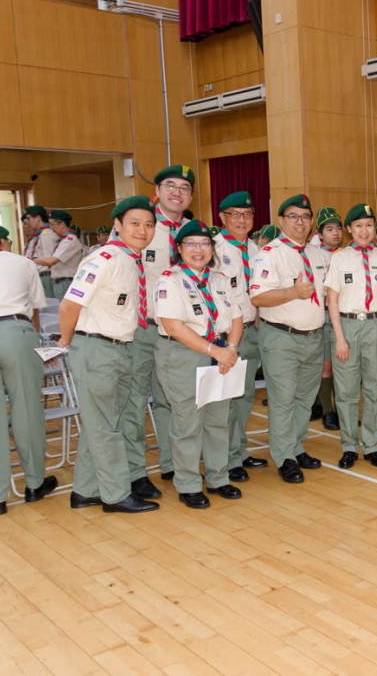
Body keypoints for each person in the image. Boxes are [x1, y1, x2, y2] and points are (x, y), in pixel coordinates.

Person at [57, 195, 159, 513]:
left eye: (149, 225)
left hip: (119, 348)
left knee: (102, 422)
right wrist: (65, 342)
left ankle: (85, 490)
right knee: (106, 427)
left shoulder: (131, 260)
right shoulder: (103, 259)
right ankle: (115, 495)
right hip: (96, 348)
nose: (142, 230)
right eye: (135, 223)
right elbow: (69, 305)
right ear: (118, 224)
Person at [115, 165, 194, 499]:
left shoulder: (194, 232)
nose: (177, 193)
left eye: (185, 188)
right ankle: (135, 473)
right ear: (158, 191)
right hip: (142, 328)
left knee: (172, 402)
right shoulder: (140, 227)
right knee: (134, 402)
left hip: (181, 332)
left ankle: (172, 464)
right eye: (170, 186)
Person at [154, 221, 245, 509]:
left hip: (221, 353)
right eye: (191, 244)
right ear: (179, 249)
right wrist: (215, 351)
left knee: (218, 420)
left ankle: (218, 478)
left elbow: (237, 317)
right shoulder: (170, 280)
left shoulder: (219, 279)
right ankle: (189, 484)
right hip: (183, 354)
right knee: (188, 423)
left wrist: (230, 349)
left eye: (204, 244)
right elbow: (173, 326)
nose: (198, 249)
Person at [249, 193, 331, 483]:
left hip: (313, 337)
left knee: (304, 399)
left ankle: (296, 447)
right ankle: (284, 457)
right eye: (293, 216)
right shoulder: (270, 254)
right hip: (281, 337)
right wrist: (292, 293)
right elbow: (258, 297)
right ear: (281, 220)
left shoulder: (317, 254)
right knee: (283, 400)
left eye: (305, 217)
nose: (300, 222)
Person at [327, 203, 377, 469]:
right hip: (348, 325)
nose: (364, 230)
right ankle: (349, 446)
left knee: (375, 388)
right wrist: (340, 338)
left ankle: (371, 445)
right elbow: (332, 301)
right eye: (358, 226)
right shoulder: (340, 258)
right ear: (349, 229)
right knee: (346, 391)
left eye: (369, 225)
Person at [0, 224, 57, 516]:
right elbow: (35, 310)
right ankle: (34, 484)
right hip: (15, 330)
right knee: (27, 409)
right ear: (3, 241)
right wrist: (38, 348)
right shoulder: (21, 262)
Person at [213, 191, 268, 482]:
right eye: (235, 214)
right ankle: (225, 456)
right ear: (222, 217)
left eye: (247, 214)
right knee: (226, 399)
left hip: (251, 330)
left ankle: (239, 449)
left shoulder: (256, 249)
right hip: (225, 335)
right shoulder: (213, 248)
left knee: (245, 396)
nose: (242, 219)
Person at [311, 207, 342, 430]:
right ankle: (328, 411)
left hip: (343, 315)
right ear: (320, 234)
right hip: (322, 314)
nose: (335, 233)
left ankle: (342, 409)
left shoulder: (346, 254)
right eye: (329, 229)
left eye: (338, 228)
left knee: (343, 366)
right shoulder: (314, 255)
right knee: (326, 365)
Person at [34, 209, 84, 300]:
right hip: (59, 282)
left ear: (62, 224)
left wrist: (33, 260)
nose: (51, 228)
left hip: (66, 282)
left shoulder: (70, 240)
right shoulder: (62, 240)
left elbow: (52, 261)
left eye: (53, 225)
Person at [22, 204, 58, 298]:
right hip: (39, 276)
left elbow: (50, 260)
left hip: (46, 276)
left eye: (29, 218)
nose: (28, 222)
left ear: (37, 218)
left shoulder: (46, 234)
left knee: (49, 304)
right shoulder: (38, 235)